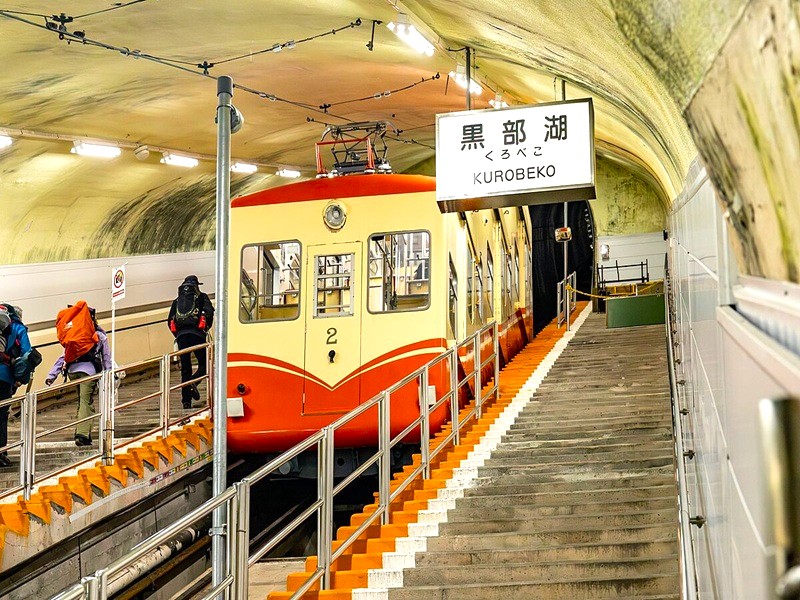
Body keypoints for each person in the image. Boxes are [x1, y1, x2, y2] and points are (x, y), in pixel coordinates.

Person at [46, 305, 111, 446]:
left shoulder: (76, 336)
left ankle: (84, 433)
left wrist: (52, 375)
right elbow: (106, 357)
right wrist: (109, 373)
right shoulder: (98, 335)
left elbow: (63, 356)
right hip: (88, 373)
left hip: (72, 372)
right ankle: (81, 435)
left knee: (83, 402)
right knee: (85, 402)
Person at [168, 276, 214, 408]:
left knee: (185, 369)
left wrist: (178, 334)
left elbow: (170, 320)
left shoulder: (177, 301)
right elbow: (209, 313)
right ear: (197, 286)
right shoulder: (202, 297)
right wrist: (204, 329)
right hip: (197, 335)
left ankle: (186, 402)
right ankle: (193, 382)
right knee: (205, 365)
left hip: (182, 337)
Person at [0, 304, 32, 467]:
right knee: (1, 414)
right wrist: (21, 377)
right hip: (4, 378)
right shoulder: (18, 328)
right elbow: (27, 353)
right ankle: (1, 453)